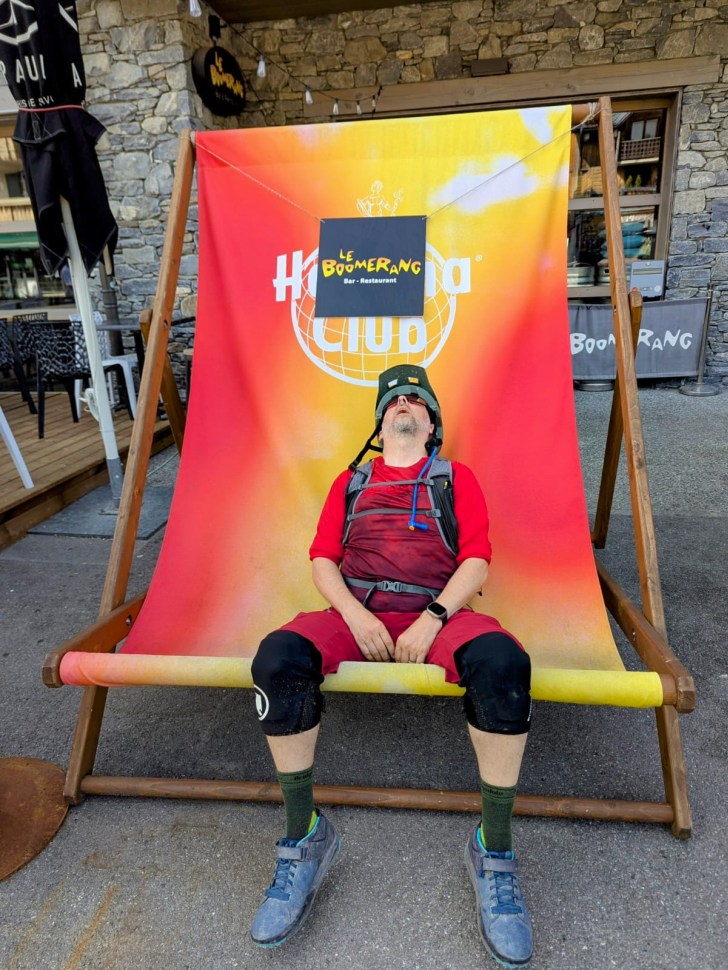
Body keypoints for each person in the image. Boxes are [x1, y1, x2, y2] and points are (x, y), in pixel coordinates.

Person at [250, 364, 533, 966]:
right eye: (394, 400)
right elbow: (323, 560)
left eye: (416, 400)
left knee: (504, 663)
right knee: (277, 659)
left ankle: (494, 850)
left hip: (437, 612)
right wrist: (355, 616)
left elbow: (477, 560)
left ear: (432, 424)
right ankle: (304, 836)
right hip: (360, 613)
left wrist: (433, 616)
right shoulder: (350, 482)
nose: (404, 403)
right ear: (381, 425)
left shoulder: (457, 478)